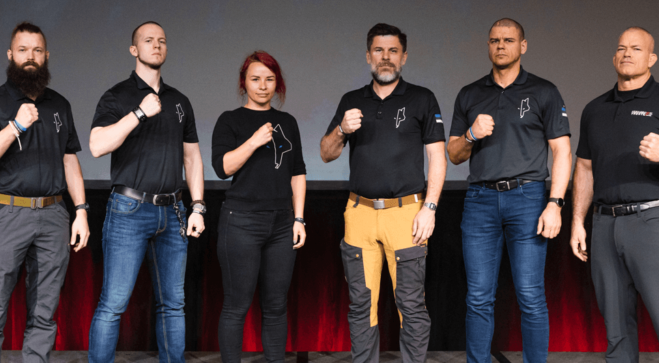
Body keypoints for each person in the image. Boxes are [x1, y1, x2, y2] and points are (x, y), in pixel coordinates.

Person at [570, 27, 659, 363]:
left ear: (652, 58)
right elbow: (585, 168)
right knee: (616, 334)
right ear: (614, 57)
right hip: (605, 225)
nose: (627, 54)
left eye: (636, 48)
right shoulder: (595, 109)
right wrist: (577, 221)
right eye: (621, 48)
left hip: (653, 222)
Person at [320, 23, 447, 363]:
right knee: (361, 305)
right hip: (359, 214)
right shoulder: (351, 101)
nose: (385, 57)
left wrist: (430, 207)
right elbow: (326, 153)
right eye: (379, 50)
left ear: (403, 57)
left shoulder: (422, 98)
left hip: (407, 215)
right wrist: (341, 129)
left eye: (393, 51)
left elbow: (437, 156)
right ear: (368, 56)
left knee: (411, 304)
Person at [446, 19, 572, 363]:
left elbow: (562, 151)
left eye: (508, 40)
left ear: (523, 46)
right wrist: (471, 134)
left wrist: (555, 203)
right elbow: (454, 154)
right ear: (488, 46)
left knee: (530, 295)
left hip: (528, 198)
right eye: (494, 40)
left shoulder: (544, 91)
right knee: (478, 298)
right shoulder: (470, 94)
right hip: (480, 200)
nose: (500, 46)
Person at [0, 22, 89, 363]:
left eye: (37, 50)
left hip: (53, 214)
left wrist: (81, 211)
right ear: (11, 55)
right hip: (7, 215)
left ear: (46, 55)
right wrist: (15, 126)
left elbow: (69, 160)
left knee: (44, 312)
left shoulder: (59, 104)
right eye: (23, 50)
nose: (30, 57)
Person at [87, 21, 205, 363]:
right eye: (148, 40)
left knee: (173, 304)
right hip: (129, 209)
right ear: (134, 49)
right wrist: (139, 113)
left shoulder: (179, 101)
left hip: (173, 211)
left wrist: (198, 207)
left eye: (162, 40)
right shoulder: (117, 96)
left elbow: (192, 158)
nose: (157, 45)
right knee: (113, 303)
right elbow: (96, 146)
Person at [211, 51, 307, 363]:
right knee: (236, 305)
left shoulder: (287, 122)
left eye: (269, 79)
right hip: (241, 222)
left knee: (276, 305)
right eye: (255, 79)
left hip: (282, 223)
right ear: (244, 83)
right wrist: (253, 141)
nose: (263, 86)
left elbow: (298, 172)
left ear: (277, 83)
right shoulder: (230, 120)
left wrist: (299, 218)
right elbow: (222, 168)